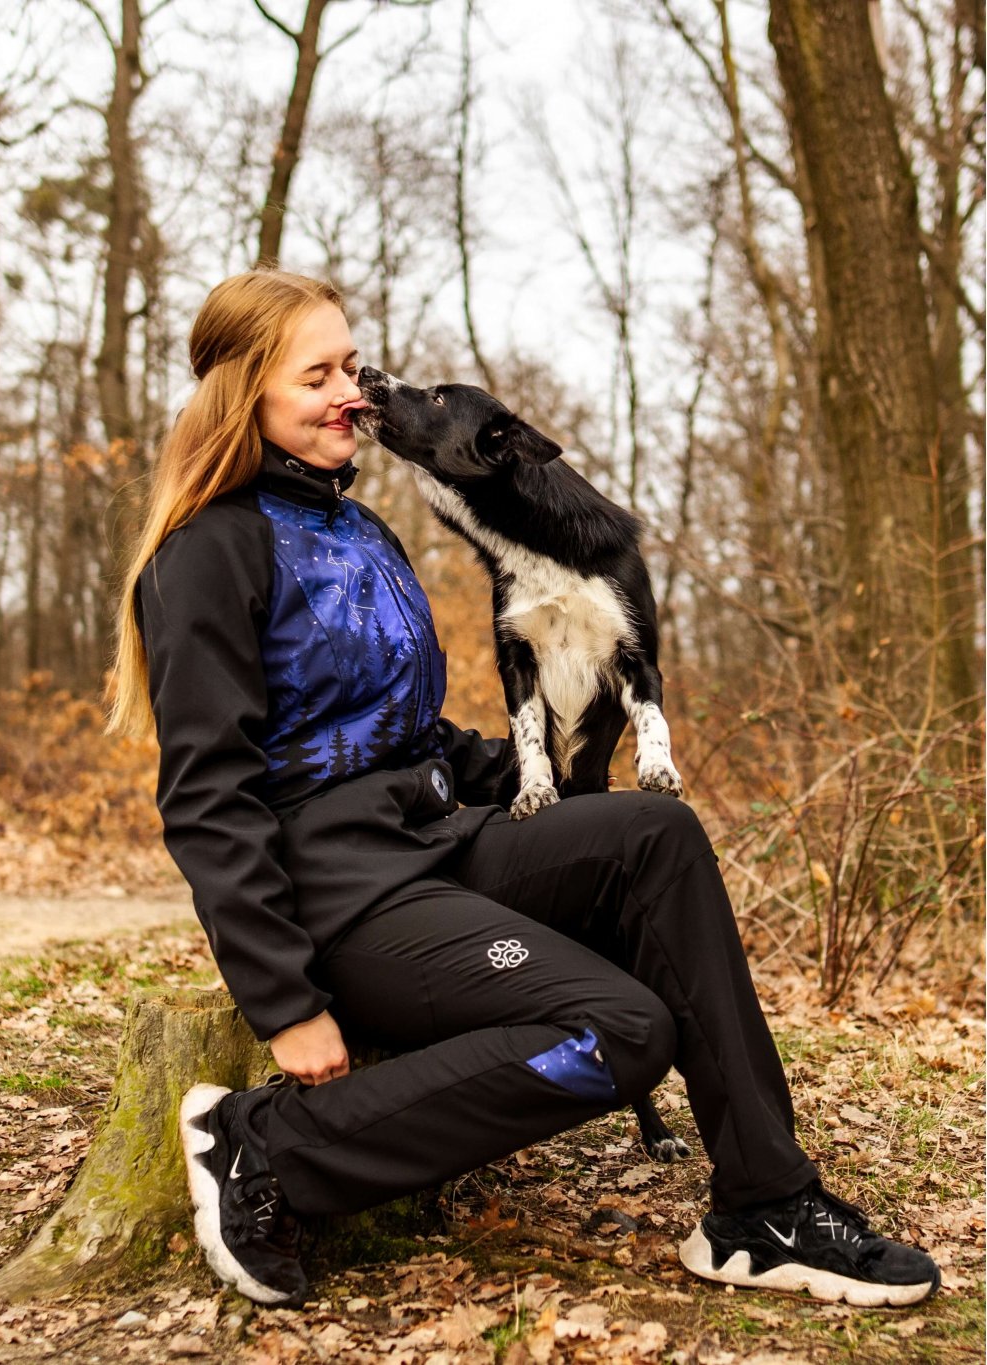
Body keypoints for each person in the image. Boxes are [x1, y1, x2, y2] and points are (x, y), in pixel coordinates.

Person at [109, 269, 940, 1311]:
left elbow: (415, 734)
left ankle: (763, 1208)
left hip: (431, 842)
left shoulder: (362, 534)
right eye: (315, 375)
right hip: (338, 898)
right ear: (243, 394)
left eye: (351, 368)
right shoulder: (208, 552)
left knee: (654, 833)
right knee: (618, 1030)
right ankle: (267, 1147)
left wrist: (548, 772)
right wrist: (282, 1000)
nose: (350, 395)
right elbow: (206, 795)